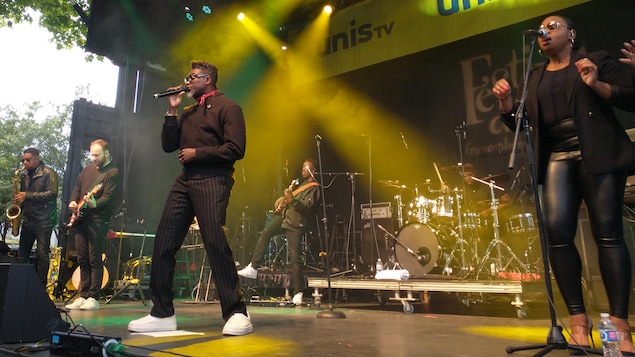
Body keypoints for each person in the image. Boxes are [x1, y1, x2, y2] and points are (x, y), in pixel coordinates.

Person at [492, 15, 635, 354]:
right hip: (556, 158)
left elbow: (630, 99)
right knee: (557, 236)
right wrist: (506, 104)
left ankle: (620, 328)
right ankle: (578, 324)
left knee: (608, 234)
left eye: (554, 26)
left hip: (596, 153)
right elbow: (521, 125)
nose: (546, 32)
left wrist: (597, 84)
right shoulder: (535, 77)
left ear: (571, 34)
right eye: (543, 29)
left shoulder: (596, 60)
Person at [128, 60, 251, 336]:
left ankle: (236, 312)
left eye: (193, 77)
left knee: (214, 242)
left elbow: (236, 148)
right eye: (188, 76)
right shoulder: (187, 111)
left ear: (208, 80)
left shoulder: (228, 107)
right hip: (185, 179)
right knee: (163, 243)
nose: (188, 81)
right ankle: (161, 313)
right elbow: (169, 145)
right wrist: (171, 111)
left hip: (213, 178)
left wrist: (199, 153)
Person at [237, 160, 320, 305]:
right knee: (266, 232)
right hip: (284, 218)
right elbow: (290, 200)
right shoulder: (300, 185)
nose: (303, 170)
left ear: (314, 170)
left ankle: (298, 292)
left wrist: (292, 200)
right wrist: (283, 200)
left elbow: (307, 207)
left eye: (306, 167)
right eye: (302, 167)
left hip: (295, 223)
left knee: (295, 258)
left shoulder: (315, 189)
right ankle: (253, 267)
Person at [65, 139, 120, 310]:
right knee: (82, 258)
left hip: (98, 221)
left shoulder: (112, 172)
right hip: (81, 218)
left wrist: (95, 204)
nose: (94, 158)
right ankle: (82, 295)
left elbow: (108, 197)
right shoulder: (88, 169)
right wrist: (73, 201)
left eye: (97, 155)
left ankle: (93, 297)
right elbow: (78, 187)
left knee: (94, 258)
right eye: (92, 155)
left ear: (106, 153)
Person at [14, 148, 58, 286]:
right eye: (23, 160)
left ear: (37, 158)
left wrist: (27, 195)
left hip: (44, 220)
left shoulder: (48, 172)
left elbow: (52, 194)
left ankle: (39, 287)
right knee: (22, 255)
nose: (25, 163)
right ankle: (20, 285)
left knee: (42, 255)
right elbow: (22, 197)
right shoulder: (24, 175)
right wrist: (17, 212)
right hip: (28, 218)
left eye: (28, 159)